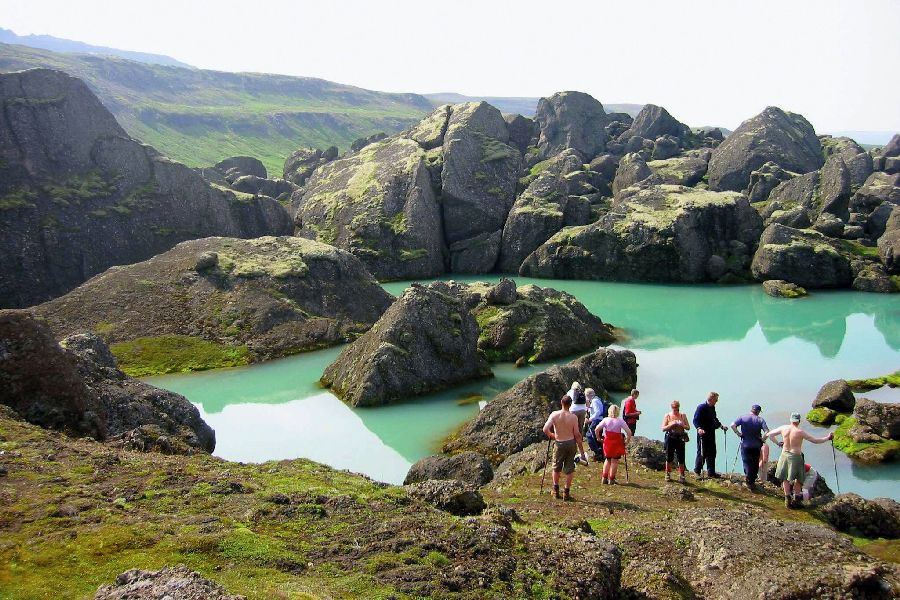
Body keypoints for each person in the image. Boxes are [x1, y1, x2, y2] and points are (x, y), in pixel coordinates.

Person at [764, 412, 833, 509]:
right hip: (796, 456)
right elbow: (815, 441)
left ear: (790, 420)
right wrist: (827, 438)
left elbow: (769, 434)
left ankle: (787, 498)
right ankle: (796, 499)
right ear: (799, 421)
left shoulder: (783, 428)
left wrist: (778, 443)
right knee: (798, 479)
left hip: (784, 454)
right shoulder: (800, 432)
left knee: (785, 478)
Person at [543, 394, 588, 501]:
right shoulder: (573, 417)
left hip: (559, 443)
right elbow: (577, 435)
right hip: (571, 443)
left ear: (561, 403)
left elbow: (545, 429)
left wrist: (553, 436)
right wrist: (582, 452)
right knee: (569, 468)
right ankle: (566, 492)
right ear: (571, 404)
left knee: (556, 467)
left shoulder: (554, 415)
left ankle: (555, 490)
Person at [730, 404, 769, 490]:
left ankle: (749, 480)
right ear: (758, 411)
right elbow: (767, 432)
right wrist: (762, 439)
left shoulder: (743, 417)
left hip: (745, 444)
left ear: (751, 410)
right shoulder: (760, 420)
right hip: (756, 445)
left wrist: (738, 434)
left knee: (746, 462)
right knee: (755, 463)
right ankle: (751, 481)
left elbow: (732, 425)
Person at [595, 404, 632, 485]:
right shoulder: (620, 421)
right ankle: (612, 479)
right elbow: (629, 432)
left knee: (607, 460)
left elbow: (597, 429)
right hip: (617, 442)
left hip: (607, 441)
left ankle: (604, 478)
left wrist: (598, 438)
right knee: (614, 461)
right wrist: (627, 441)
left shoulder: (606, 420)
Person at [693, 391, 727, 478]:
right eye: (716, 400)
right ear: (711, 399)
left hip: (711, 432)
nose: (717, 401)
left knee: (712, 452)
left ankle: (711, 472)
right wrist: (699, 428)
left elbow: (714, 418)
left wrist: (721, 426)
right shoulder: (701, 407)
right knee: (702, 452)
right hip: (703, 433)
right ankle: (697, 471)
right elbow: (695, 420)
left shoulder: (712, 407)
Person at [662, 400, 690, 483]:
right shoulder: (667, 416)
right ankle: (667, 474)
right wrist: (671, 425)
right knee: (669, 456)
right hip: (670, 437)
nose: (675, 409)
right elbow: (663, 428)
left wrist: (682, 425)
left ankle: (682, 475)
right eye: (674, 407)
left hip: (680, 438)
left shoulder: (683, 415)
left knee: (681, 457)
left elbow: (688, 427)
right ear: (671, 407)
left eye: (677, 407)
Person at [584, 388, 606, 462]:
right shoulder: (595, 400)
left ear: (589, 395)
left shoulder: (595, 401)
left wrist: (590, 419)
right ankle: (600, 453)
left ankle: (597, 452)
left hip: (596, 421)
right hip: (598, 420)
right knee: (597, 436)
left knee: (590, 436)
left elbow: (597, 412)